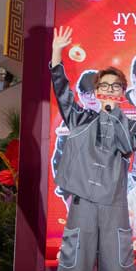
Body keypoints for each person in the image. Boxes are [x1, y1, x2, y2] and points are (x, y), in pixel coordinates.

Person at [50, 26, 136, 271]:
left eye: (115, 87)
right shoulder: (79, 118)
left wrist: (114, 114)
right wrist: (56, 53)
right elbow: (62, 91)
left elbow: (127, 146)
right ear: (96, 91)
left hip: (114, 203)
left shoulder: (133, 124)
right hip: (83, 202)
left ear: (122, 92)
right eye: (104, 86)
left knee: (113, 263)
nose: (109, 90)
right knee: (76, 260)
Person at [51, 69, 100, 208]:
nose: (91, 97)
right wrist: (67, 194)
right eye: (87, 93)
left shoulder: (114, 120)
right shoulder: (72, 120)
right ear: (80, 95)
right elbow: (59, 159)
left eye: (95, 92)